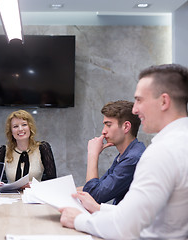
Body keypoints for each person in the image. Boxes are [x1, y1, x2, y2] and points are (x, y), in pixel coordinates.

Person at [60, 64, 188, 239]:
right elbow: (140, 213)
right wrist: (99, 208)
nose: (135, 110)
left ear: (164, 101)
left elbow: (124, 227)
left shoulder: (162, 152)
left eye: (140, 100)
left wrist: (78, 220)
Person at [78, 100, 145, 204]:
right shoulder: (128, 153)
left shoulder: (133, 158)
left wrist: (92, 154)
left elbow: (93, 197)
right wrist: (65, 193)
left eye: (108, 125)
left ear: (126, 127)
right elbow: (100, 186)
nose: (103, 131)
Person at [0, 110, 57, 186]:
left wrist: (35, 185)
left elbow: (52, 182)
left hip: (34, 195)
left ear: (30, 127)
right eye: (15, 126)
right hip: (10, 196)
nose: (20, 129)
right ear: (11, 131)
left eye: (24, 124)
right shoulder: (4, 150)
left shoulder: (42, 148)